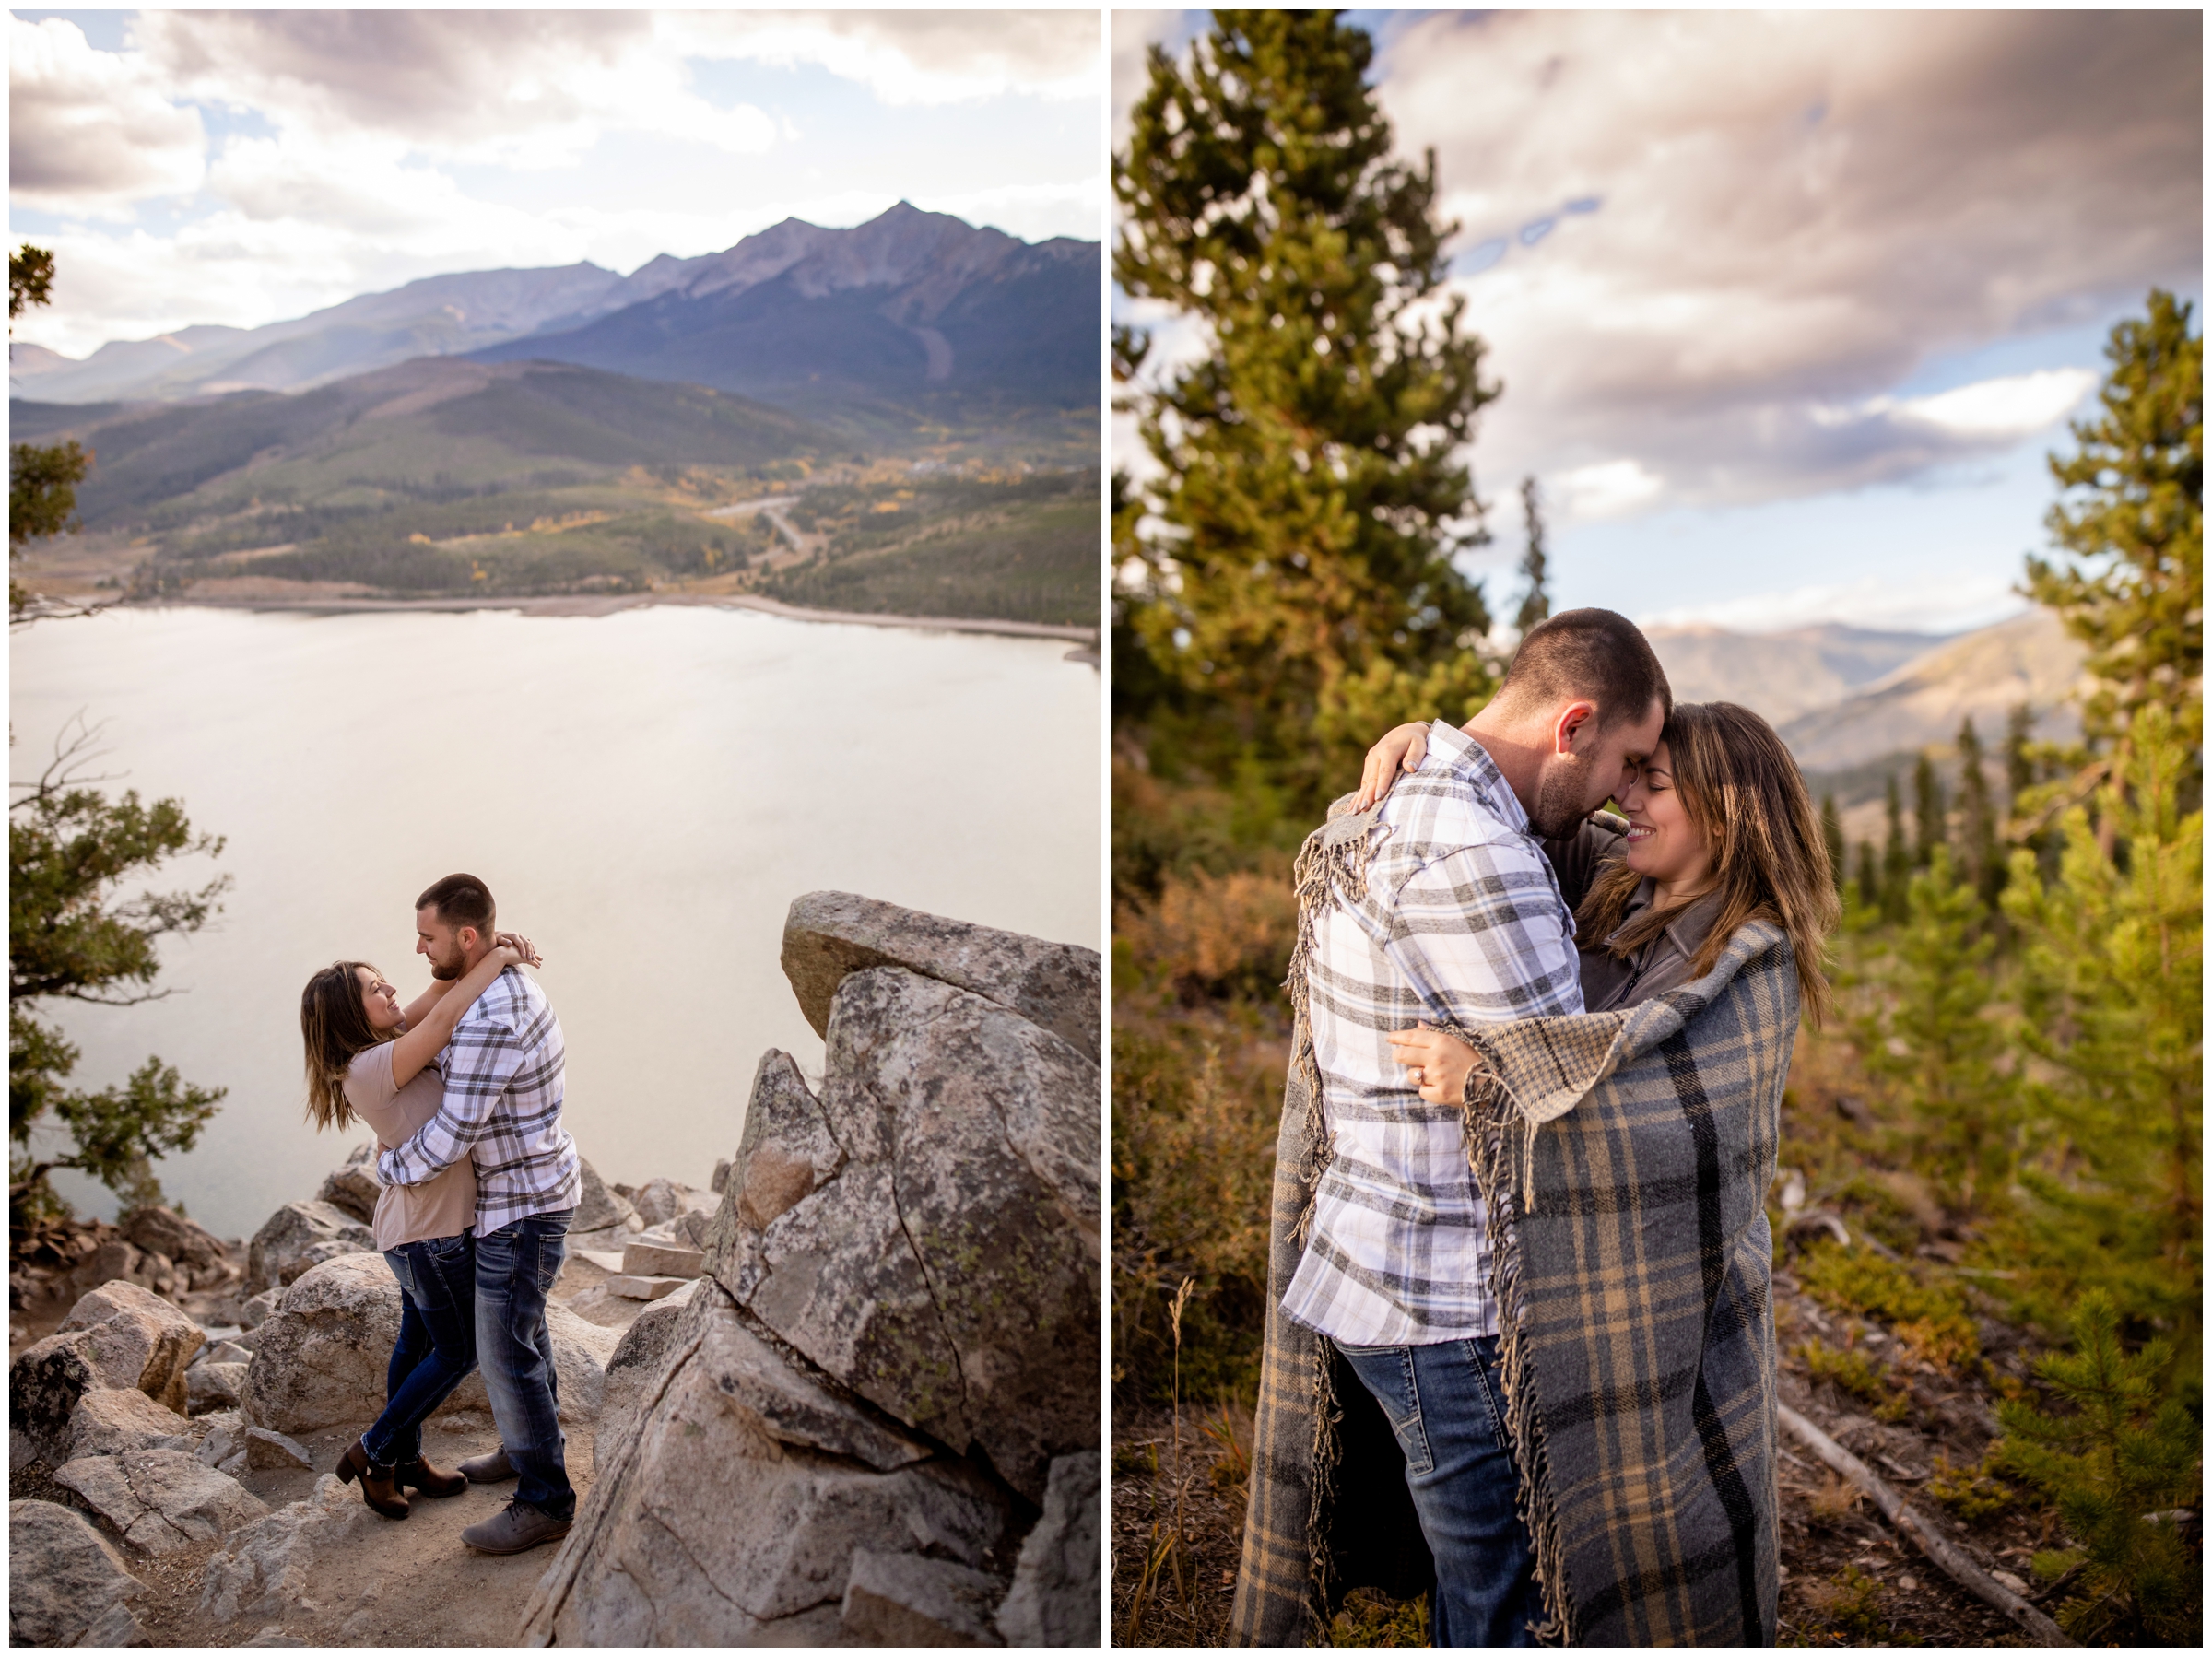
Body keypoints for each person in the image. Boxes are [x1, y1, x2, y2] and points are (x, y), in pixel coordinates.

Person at [1266, 608, 1670, 1647]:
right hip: (1440, 1299)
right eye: (1629, 760)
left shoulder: (1441, 800)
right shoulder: (1471, 850)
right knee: (1513, 1608)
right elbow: (1566, 1105)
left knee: (1481, 1588)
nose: (1627, 796)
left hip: (1398, 1268)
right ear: (1573, 723)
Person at [377, 873, 583, 1556]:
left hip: (521, 1206)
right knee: (525, 1334)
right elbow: (421, 1021)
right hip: (525, 1192)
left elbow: (454, 1133)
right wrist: (499, 953)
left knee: (503, 1356)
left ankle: (545, 1501)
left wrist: (389, 1168)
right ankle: (526, 1446)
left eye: (427, 937)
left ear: (467, 937)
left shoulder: (494, 1015)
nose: (417, 947)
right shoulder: (490, 987)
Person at [299, 933, 536, 1520]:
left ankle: (404, 1463)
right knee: (459, 1352)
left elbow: (439, 991)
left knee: (418, 1341)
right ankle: (374, 1450)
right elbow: (451, 1011)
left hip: (417, 1229)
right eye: (376, 989)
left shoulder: (386, 1047)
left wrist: (483, 948)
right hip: (426, 1237)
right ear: (352, 1012)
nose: (390, 990)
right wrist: (504, 960)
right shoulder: (374, 1066)